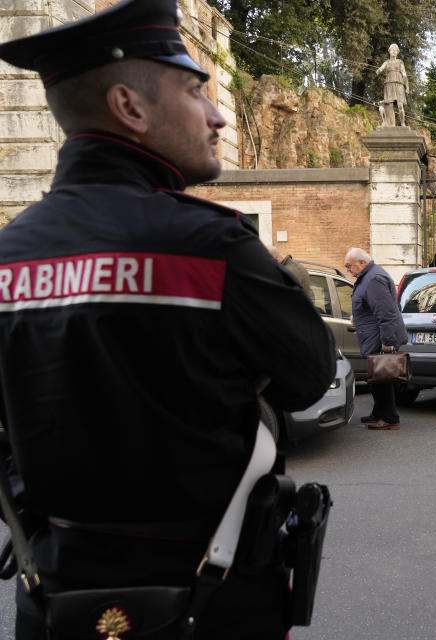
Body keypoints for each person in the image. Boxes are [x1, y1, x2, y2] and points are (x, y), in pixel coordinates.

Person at [0, 1, 337, 637]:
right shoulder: (212, 247)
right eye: (193, 90)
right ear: (131, 107)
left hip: (54, 604)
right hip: (213, 605)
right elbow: (312, 374)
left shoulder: (6, 258)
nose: (216, 115)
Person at [345, 247, 408, 429]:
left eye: (349, 266)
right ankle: (378, 413)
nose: (348, 269)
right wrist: (357, 315)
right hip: (373, 335)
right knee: (376, 377)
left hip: (379, 337)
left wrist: (387, 342)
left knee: (382, 378)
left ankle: (389, 419)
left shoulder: (373, 279)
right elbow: (369, 306)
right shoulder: (367, 276)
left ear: (362, 263)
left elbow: (385, 313)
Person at [376, 43, 408, 127]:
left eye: (395, 50)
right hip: (389, 84)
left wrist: (407, 87)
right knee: (389, 105)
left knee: (400, 105)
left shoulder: (400, 62)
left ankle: (402, 123)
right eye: (392, 50)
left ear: (397, 52)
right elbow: (381, 68)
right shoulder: (387, 62)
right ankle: (391, 124)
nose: (394, 51)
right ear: (389, 51)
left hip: (399, 84)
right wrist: (379, 70)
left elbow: (404, 74)